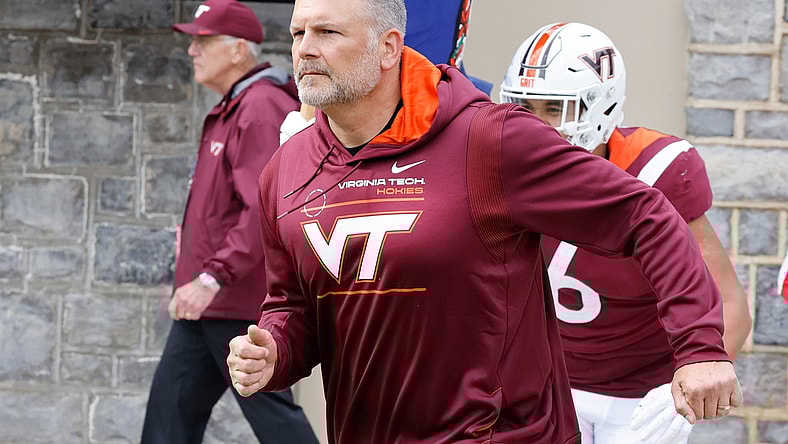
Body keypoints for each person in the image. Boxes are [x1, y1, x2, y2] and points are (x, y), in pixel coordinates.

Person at [226, 1, 742, 443]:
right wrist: (275, 351)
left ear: (388, 48)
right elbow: (294, 304)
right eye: (298, 32)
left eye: (328, 32)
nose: (305, 48)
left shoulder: (489, 140)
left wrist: (699, 348)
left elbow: (646, 215)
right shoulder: (286, 169)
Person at [499, 22, 752, 444]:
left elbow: (727, 301)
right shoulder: (498, 167)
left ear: (601, 106)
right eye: (525, 108)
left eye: (555, 109)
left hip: (641, 397)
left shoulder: (657, 170)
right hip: (546, 389)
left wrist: (694, 381)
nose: (537, 126)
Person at [140, 1, 318, 443]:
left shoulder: (258, 107)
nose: (192, 52)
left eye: (203, 41)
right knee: (167, 424)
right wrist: (192, 278)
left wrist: (211, 277)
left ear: (239, 50)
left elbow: (265, 205)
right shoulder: (233, 107)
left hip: (238, 306)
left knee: (277, 424)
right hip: (207, 306)